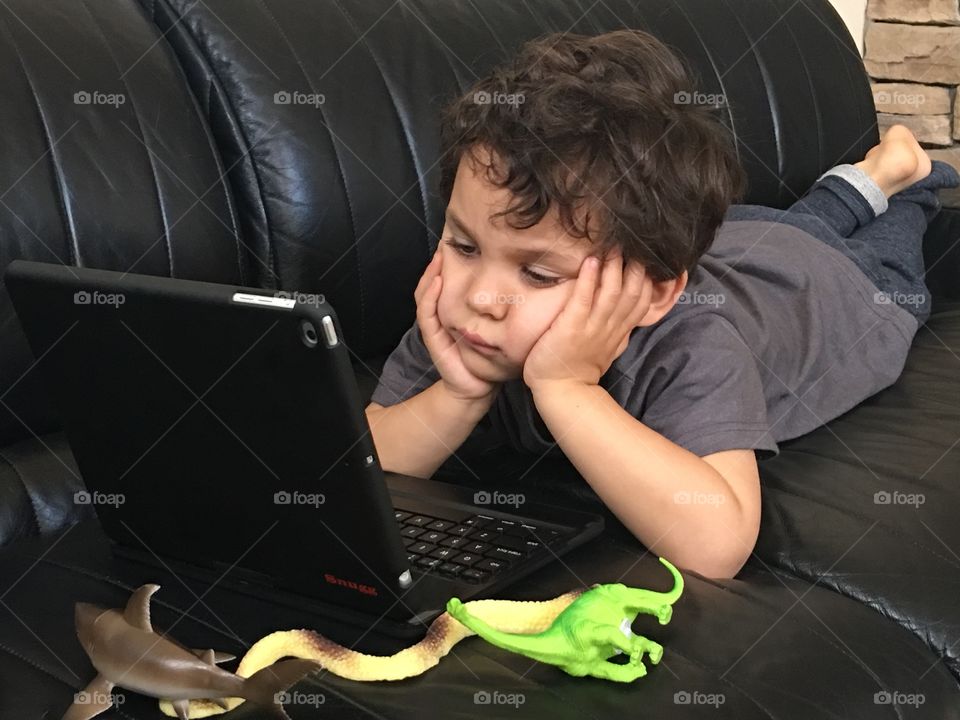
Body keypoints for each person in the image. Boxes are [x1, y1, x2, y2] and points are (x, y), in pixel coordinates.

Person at [364, 29, 960, 579]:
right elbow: (362, 464)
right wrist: (457, 394)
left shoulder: (693, 344)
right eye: (464, 244)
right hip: (746, 241)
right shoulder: (464, 319)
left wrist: (568, 390)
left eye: (539, 274)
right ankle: (868, 178)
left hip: (835, 286)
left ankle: (905, 182)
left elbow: (717, 544)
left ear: (652, 294)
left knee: (887, 243)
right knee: (795, 224)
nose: (480, 296)